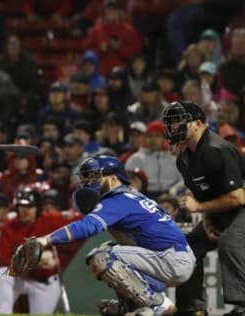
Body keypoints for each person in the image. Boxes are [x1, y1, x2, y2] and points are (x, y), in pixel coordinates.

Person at [30, 155, 195, 315]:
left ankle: (157, 304)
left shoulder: (118, 200)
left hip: (170, 258)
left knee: (103, 257)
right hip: (170, 256)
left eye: (94, 176)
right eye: (86, 177)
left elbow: (88, 226)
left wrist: (45, 240)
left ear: (113, 179)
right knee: (109, 250)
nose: (88, 182)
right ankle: (131, 306)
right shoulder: (128, 196)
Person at [161, 101, 245, 316]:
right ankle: (192, 309)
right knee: (187, 247)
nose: (173, 126)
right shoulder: (184, 159)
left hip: (241, 207)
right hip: (222, 212)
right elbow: (205, 193)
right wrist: (207, 218)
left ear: (198, 123)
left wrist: (199, 207)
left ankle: (243, 307)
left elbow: (238, 197)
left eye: (179, 120)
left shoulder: (219, 149)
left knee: (230, 241)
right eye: (170, 122)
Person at [0, 187, 82, 314]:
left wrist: (59, 259)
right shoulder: (9, 226)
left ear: (38, 208)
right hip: (20, 278)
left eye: (30, 207)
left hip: (44, 281)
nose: (25, 211)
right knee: (3, 274)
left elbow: (80, 222)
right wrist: (31, 261)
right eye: (22, 207)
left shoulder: (51, 220)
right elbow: (1, 259)